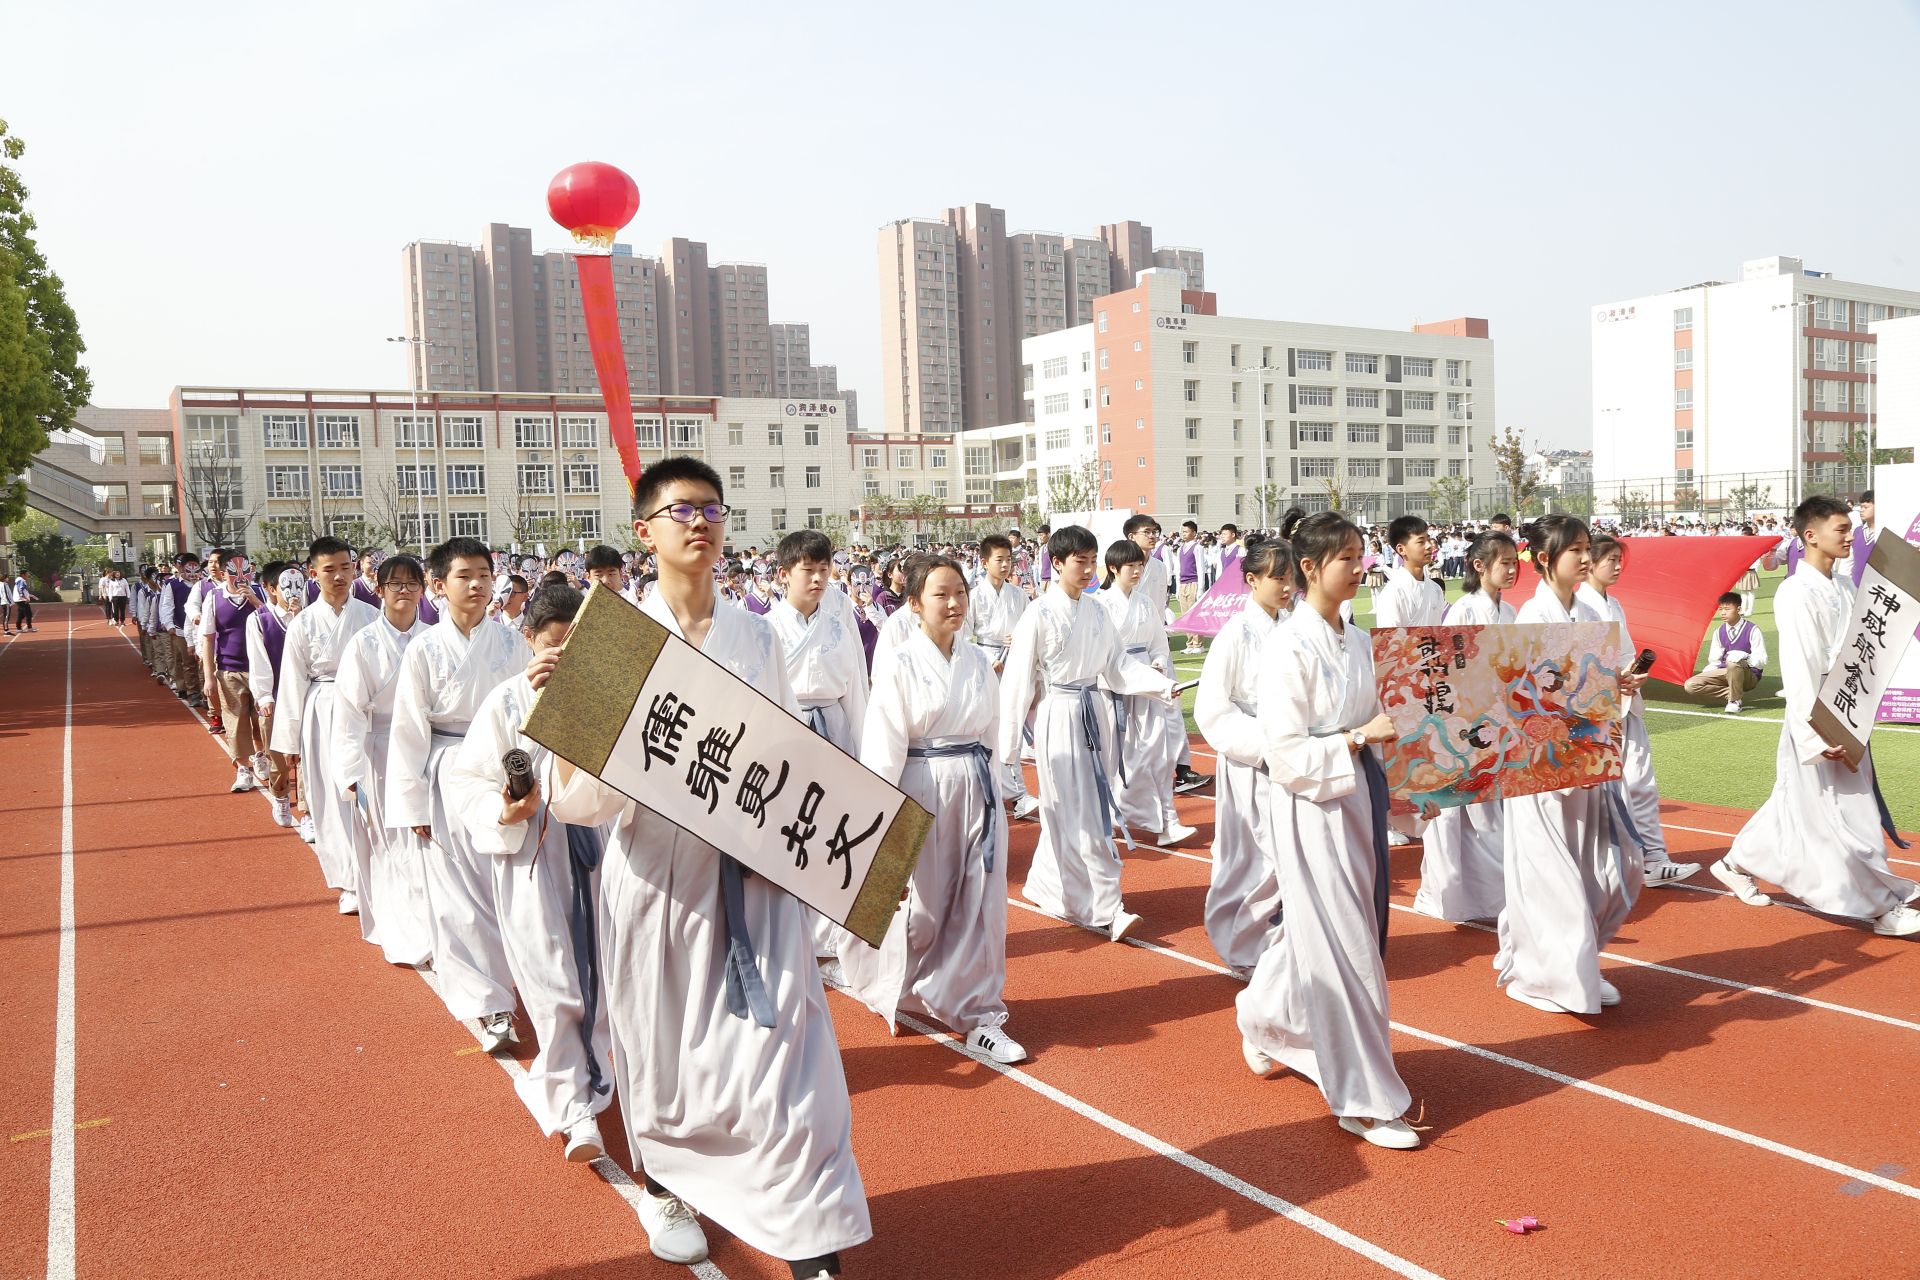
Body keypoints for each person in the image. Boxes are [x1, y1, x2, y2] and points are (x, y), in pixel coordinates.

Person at [540, 457, 871, 1276]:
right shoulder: (611, 640)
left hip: (752, 883)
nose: (700, 522)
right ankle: (670, 1187)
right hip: (656, 881)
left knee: (790, 1058)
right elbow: (574, 804)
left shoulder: (757, 635)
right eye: (680, 509)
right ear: (644, 532)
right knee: (665, 1054)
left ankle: (810, 1231)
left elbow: (787, 764)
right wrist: (586, 722)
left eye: (713, 509)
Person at [1236, 512, 1420, 1151]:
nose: (1359, 566)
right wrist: (1353, 738)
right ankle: (1362, 1097)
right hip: (1311, 802)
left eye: (1360, 555)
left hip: (1358, 793)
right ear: (1309, 568)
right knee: (1342, 939)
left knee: (1341, 929)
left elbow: (1380, 718)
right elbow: (1283, 751)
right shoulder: (1287, 647)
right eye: (1346, 557)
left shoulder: (1358, 641)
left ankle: (1265, 1017)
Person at [448, 582, 617, 1162]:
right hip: (532, 855)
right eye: (554, 645)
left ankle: (608, 1076)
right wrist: (507, 808)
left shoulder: (609, 695)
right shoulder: (505, 703)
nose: (566, 657)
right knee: (553, 983)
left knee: (608, 974)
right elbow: (467, 780)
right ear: (529, 639)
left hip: (601, 853)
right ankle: (575, 1109)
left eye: (579, 645)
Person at [841, 554, 1024, 1063]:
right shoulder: (899, 663)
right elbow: (884, 747)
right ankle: (894, 980)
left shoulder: (975, 663)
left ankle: (979, 1011)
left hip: (976, 786)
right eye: (941, 594)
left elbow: (991, 730)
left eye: (960, 593)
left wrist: (998, 784)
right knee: (921, 907)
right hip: (921, 788)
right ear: (915, 603)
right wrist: (880, 817)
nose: (954, 603)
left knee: (981, 900)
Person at [1714, 496, 1920, 937]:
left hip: (1847, 703)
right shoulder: (1794, 592)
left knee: (1794, 802)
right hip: (1819, 713)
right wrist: (1815, 732)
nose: (1850, 536)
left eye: (1850, 529)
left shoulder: (1843, 586)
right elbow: (1801, 666)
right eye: (1840, 530)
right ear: (1810, 535)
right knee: (1851, 807)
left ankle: (1733, 862)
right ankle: (1880, 907)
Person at [1497, 515, 1645, 1015]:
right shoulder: (1530, 618)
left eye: (1586, 548)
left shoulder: (1587, 610)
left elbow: (1591, 683)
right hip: (1541, 765)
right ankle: (1542, 975)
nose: (1585, 558)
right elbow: (1529, 698)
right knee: (1549, 873)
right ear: (1544, 559)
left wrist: (1618, 684)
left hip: (1585, 757)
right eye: (1575, 550)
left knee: (1593, 866)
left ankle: (1572, 965)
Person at [999, 524, 1174, 942]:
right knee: (1075, 809)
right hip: (1059, 715)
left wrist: (1160, 684)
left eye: (1093, 561)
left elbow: (1116, 666)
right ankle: (1106, 904)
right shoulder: (1037, 613)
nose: (1089, 569)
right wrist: (1006, 749)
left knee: (1091, 802)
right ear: (1057, 563)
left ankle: (1047, 881)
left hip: (1096, 710)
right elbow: (1019, 682)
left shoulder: (1097, 611)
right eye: (1080, 561)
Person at [386, 536, 526, 1049]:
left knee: (507, 881)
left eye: (485, 576)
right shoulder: (424, 648)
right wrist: (412, 801)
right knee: (456, 892)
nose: (478, 585)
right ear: (438, 586)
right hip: (445, 768)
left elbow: (528, 714)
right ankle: (489, 1006)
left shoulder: (511, 642)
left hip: (500, 768)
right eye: (465, 576)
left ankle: (522, 981)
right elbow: (406, 733)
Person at [768, 529, 872, 970]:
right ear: (783, 574)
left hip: (835, 726)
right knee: (793, 833)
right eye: (807, 571)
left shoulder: (838, 622)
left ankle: (831, 939)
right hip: (789, 735)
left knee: (834, 832)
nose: (816, 579)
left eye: (824, 570)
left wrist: (867, 754)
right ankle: (796, 933)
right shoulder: (764, 628)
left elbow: (857, 690)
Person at [1195, 537, 1294, 977]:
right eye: (1277, 577)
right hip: (1250, 759)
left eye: (1292, 576)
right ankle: (1242, 943)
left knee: (1286, 853)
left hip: (1292, 754)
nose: (1287, 585)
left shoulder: (1294, 627)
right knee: (1250, 855)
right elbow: (1212, 708)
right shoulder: (1237, 633)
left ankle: (1279, 941)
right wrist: (1262, 744)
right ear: (1251, 580)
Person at [330, 554, 436, 967]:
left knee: (426, 841)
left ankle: (433, 926)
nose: (405, 591)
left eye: (412, 583)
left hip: (425, 747)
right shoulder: (364, 644)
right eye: (396, 584)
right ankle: (402, 930)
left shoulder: (433, 637)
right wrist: (352, 773)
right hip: (379, 751)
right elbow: (350, 713)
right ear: (380, 590)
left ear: (424, 589)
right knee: (388, 842)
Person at [1579, 534, 1700, 887]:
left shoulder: (1613, 604)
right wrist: (1612, 680)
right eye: (1610, 560)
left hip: (1627, 705)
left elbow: (1624, 656)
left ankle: (1652, 858)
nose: (1617, 566)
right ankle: (1612, 862)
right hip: (1599, 712)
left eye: (1619, 560)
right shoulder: (1581, 607)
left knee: (1642, 783)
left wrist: (1633, 675)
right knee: (1602, 792)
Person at [1413, 530, 1518, 924]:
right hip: (1465, 726)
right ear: (1479, 566)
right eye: (1504, 562)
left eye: (1514, 562)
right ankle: (1447, 895)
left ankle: (1492, 898)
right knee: (1459, 816)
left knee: (1492, 814)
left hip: (1498, 724)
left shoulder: (1509, 613)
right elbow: (1448, 672)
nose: (1512, 570)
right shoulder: (1463, 611)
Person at [273, 537, 379, 911]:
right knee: (328, 796)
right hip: (321, 709)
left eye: (344, 567)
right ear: (313, 574)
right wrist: (288, 742)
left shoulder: (370, 616)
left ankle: (375, 875)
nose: (338, 576)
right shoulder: (303, 623)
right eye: (329, 569)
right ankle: (347, 881)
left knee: (366, 789)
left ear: (354, 568)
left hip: (363, 709)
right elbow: (292, 680)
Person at [1099, 539, 1195, 846]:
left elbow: (1158, 644)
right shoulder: (1101, 605)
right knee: (1115, 755)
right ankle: (1111, 812)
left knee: (1158, 752)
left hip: (1149, 684)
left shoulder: (1145, 604)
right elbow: (1108, 656)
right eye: (1131, 566)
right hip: (1115, 685)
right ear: (1113, 568)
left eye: (1140, 565)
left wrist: (1156, 663)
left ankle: (1168, 820)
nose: (1138, 570)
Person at [967, 533, 1036, 819]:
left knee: (1010, 728)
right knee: (984, 728)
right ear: (984, 563)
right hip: (986, 663)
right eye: (1000, 560)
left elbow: (1029, 631)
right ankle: (987, 791)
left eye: (1009, 559)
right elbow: (962, 637)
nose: (1006, 565)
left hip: (1013, 665)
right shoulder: (973, 596)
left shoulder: (1018, 595)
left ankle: (1017, 794)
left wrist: (1018, 645)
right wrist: (987, 660)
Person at [200, 551, 269, 795]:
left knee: (262, 719)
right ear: (223, 573)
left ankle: (261, 755)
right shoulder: (214, 597)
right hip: (229, 668)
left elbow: (277, 625)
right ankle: (243, 767)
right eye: (233, 572)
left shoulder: (261, 593)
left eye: (245, 572)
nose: (240, 578)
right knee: (235, 720)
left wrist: (256, 603)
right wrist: (209, 677)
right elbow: (207, 638)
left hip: (262, 669)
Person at [248, 565, 303, 829]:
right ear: (272, 590)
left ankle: (309, 811)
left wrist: (300, 619)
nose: (294, 592)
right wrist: (264, 696)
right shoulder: (259, 619)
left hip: (305, 697)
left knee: (307, 758)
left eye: (298, 585)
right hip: (276, 697)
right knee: (279, 756)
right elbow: (258, 660)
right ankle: (281, 794)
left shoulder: (308, 617)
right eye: (286, 586)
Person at [1683, 592, 1769, 714]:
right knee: (1691, 685)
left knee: (1733, 662)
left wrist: (1746, 657)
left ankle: (1734, 701)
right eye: (1720, 609)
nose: (1723, 613)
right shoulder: (1719, 632)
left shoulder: (1752, 630)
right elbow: (1715, 660)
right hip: (1726, 671)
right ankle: (1734, 694)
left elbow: (1761, 660)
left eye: (1727, 609)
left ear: (1738, 609)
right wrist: (1708, 672)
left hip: (1749, 675)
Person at [158, 554, 204, 707]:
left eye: (194, 566)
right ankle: (193, 692)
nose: (191, 570)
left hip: (202, 628)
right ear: (181, 568)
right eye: (187, 567)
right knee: (187, 661)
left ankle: (204, 692)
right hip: (181, 629)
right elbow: (167, 605)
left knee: (203, 662)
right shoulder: (172, 585)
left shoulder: (204, 583)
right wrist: (169, 624)